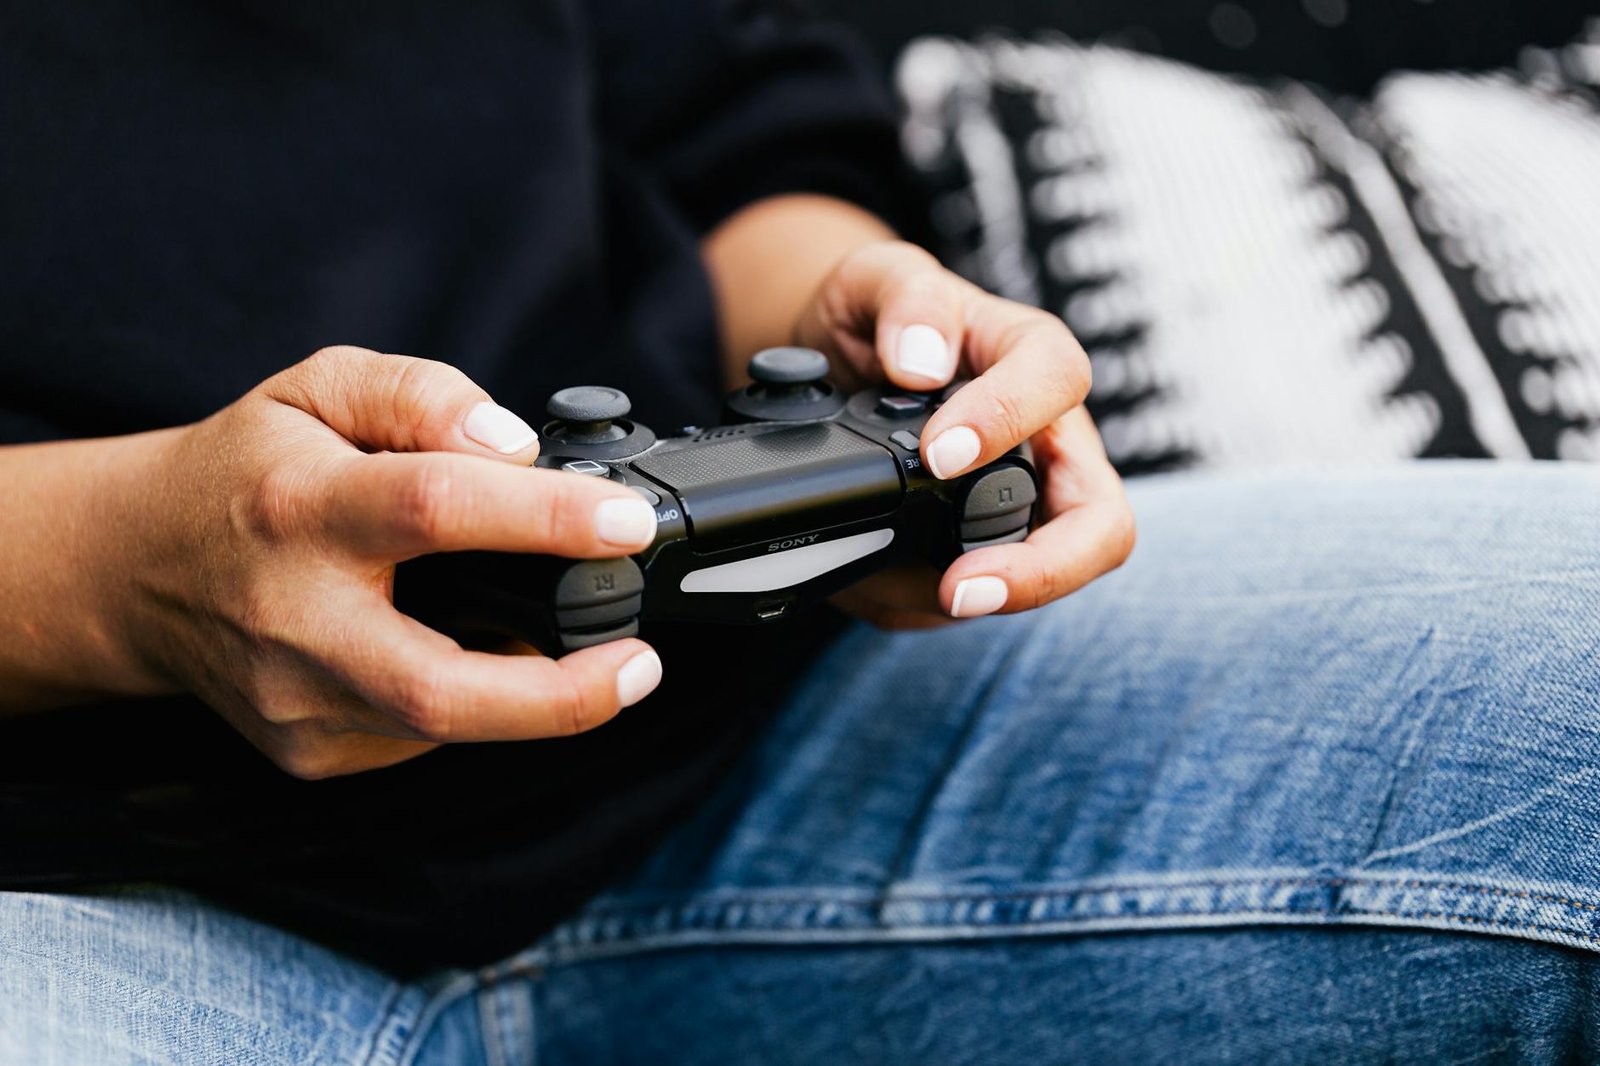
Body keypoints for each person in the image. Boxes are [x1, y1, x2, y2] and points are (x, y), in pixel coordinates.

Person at [3, 2, 1599, 1063]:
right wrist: (113, 576)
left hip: (772, 727)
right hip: (70, 882)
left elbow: (724, 117)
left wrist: (866, 352)